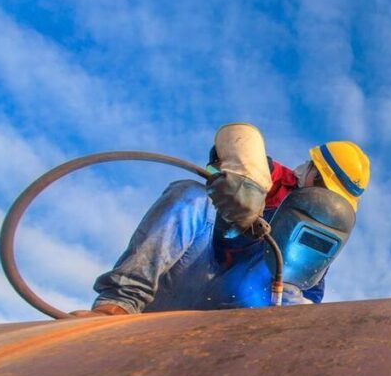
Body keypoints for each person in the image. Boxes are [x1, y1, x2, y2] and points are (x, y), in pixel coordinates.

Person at [72, 123, 369, 316]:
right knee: (190, 195)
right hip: (188, 272)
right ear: (311, 172)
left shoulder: (318, 236)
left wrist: (294, 306)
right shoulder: (271, 178)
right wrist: (243, 184)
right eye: (324, 190)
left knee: (289, 282)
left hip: (232, 311)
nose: (325, 204)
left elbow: (307, 299)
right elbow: (231, 148)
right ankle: (120, 304)